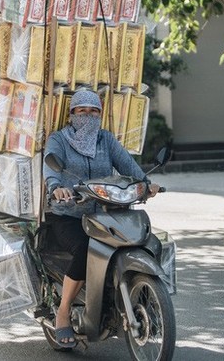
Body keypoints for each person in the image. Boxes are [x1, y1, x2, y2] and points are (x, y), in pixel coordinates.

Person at [42, 90, 161, 348]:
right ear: (72, 114)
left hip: (105, 214)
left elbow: (127, 164)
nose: (88, 116)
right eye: (82, 111)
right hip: (69, 216)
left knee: (146, 241)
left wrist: (146, 183)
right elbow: (50, 167)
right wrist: (56, 188)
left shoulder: (105, 140)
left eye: (94, 111)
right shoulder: (59, 140)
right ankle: (63, 312)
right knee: (86, 249)